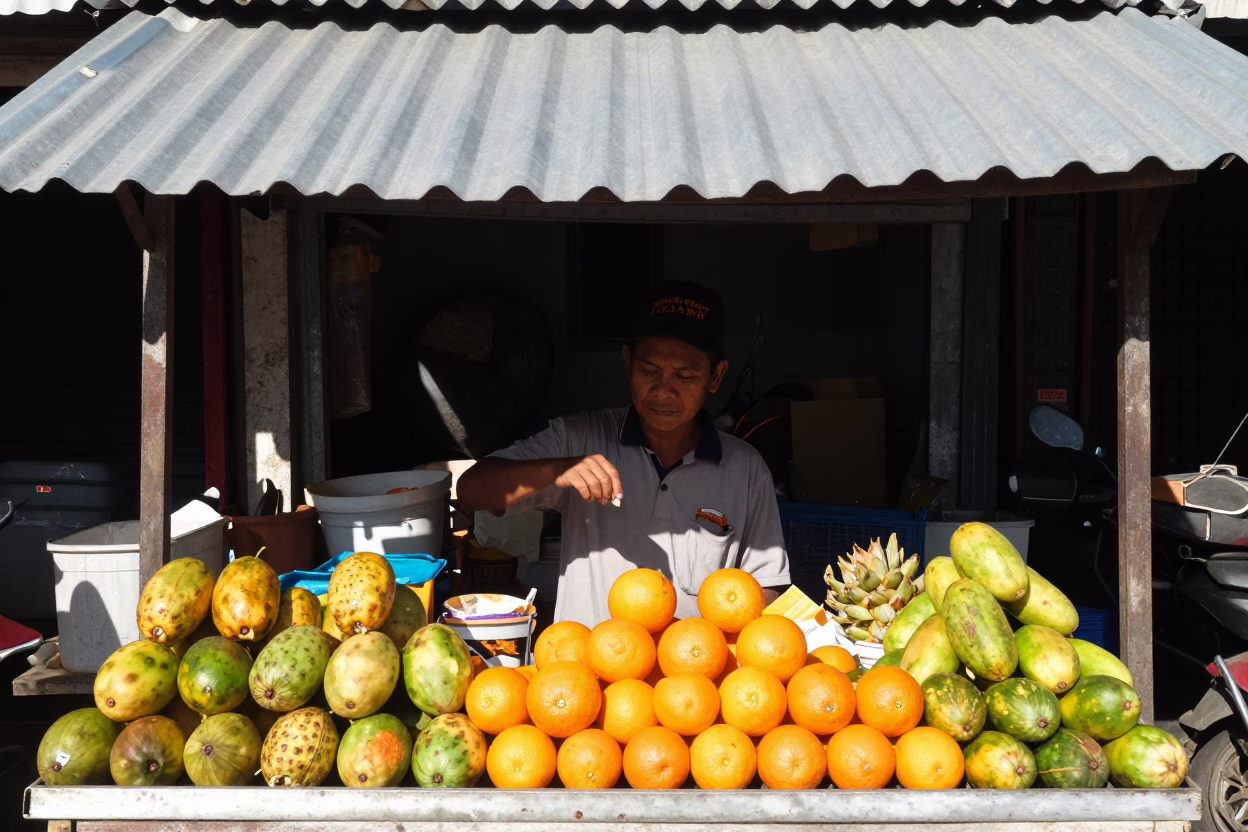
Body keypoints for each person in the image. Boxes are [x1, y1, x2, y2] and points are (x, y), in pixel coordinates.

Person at [457, 281, 790, 627]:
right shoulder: (579, 439)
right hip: (584, 670)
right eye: (649, 371)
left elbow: (766, 588)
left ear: (716, 376)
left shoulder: (745, 469)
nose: (663, 390)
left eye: (684, 375)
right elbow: (471, 490)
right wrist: (556, 471)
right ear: (628, 363)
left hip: (694, 672)